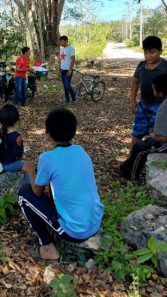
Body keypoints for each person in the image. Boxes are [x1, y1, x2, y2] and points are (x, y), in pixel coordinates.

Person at [18, 108, 104, 262]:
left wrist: (31, 171)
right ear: (73, 131)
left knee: (24, 194)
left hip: (74, 231)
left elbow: (37, 192)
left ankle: (47, 247)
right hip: (95, 223)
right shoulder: (81, 151)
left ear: (46, 131)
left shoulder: (47, 158)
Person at [118, 73, 167, 180]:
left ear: (160, 94)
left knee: (139, 148)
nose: (153, 91)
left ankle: (130, 174)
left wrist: (151, 134)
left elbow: (162, 138)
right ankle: (125, 166)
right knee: (147, 142)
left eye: (154, 89)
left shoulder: (166, 107)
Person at [130, 36, 167, 151]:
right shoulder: (141, 66)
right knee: (136, 134)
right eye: (146, 52)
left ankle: (155, 160)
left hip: (160, 107)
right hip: (143, 106)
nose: (149, 55)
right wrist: (132, 101)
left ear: (160, 51)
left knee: (158, 135)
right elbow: (135, 82)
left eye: (152, 52)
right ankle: (130, 162)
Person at [0, 104, 29, 183]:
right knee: (28, 166)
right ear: (16, 119)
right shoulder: (16, 136)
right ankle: (29, 188)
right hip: (8, 165)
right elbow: (18, 155)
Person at [59, 36, 76, 104]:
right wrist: (59, 70)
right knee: (64, 85)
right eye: (60, 41)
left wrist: (70, 70)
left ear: (66, 41)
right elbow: (61, 60)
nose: (60, 43)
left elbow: (73, 60)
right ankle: (67, 100)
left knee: (67, 85)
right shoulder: (61, 50)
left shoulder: (71, 49)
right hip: (62, 69)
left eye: (61, 41)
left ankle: (74, 99)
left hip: (68, 70)